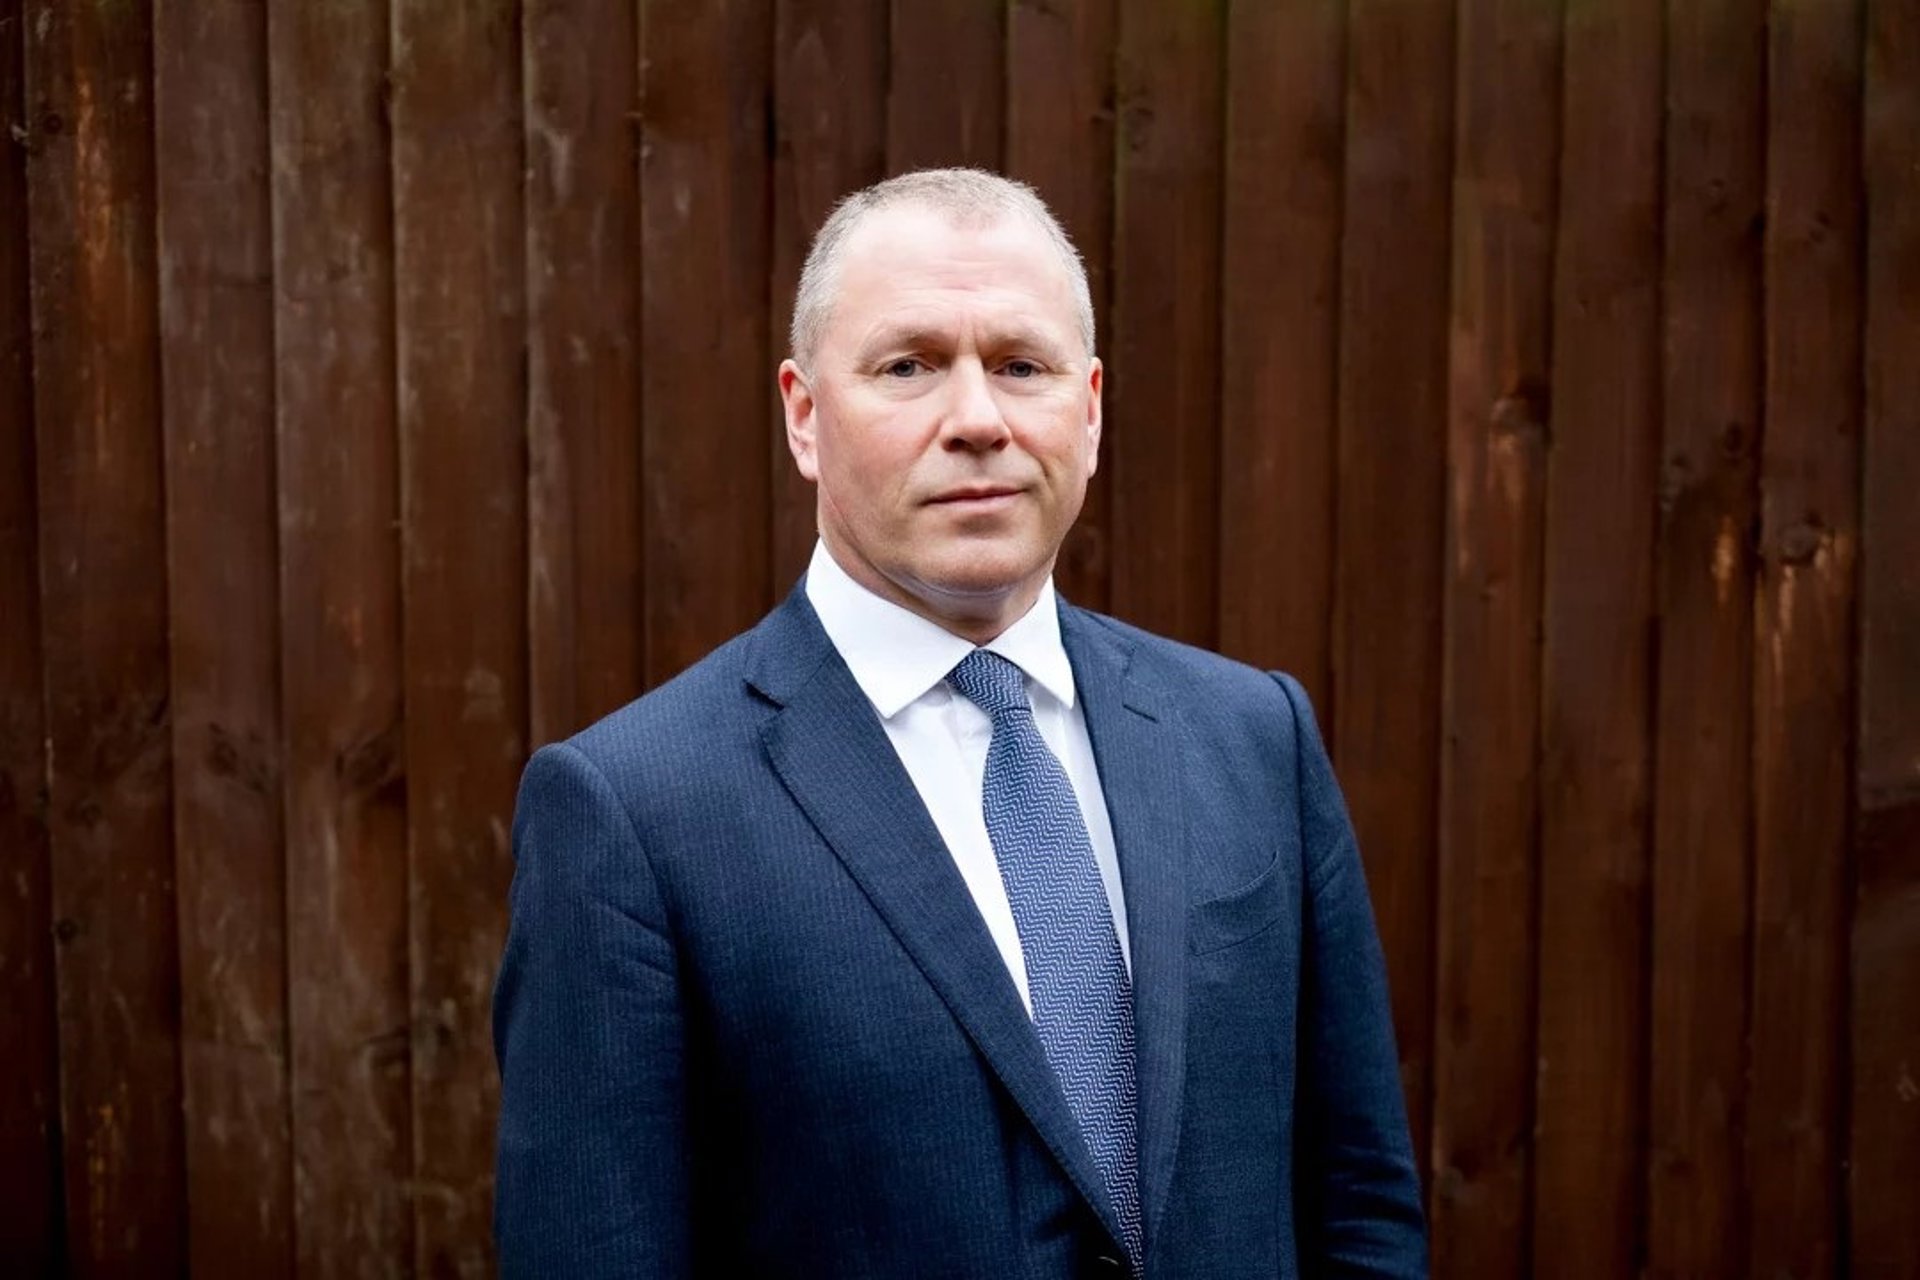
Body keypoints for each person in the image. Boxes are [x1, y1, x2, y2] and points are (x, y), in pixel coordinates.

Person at [492, 168, 1426, 1277]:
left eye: (1021, 366)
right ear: (804, 414)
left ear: (1088, 410)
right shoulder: (631, 813)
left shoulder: (1254, 737)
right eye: (909, 366)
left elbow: (1361, 1201)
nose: (978, 420)